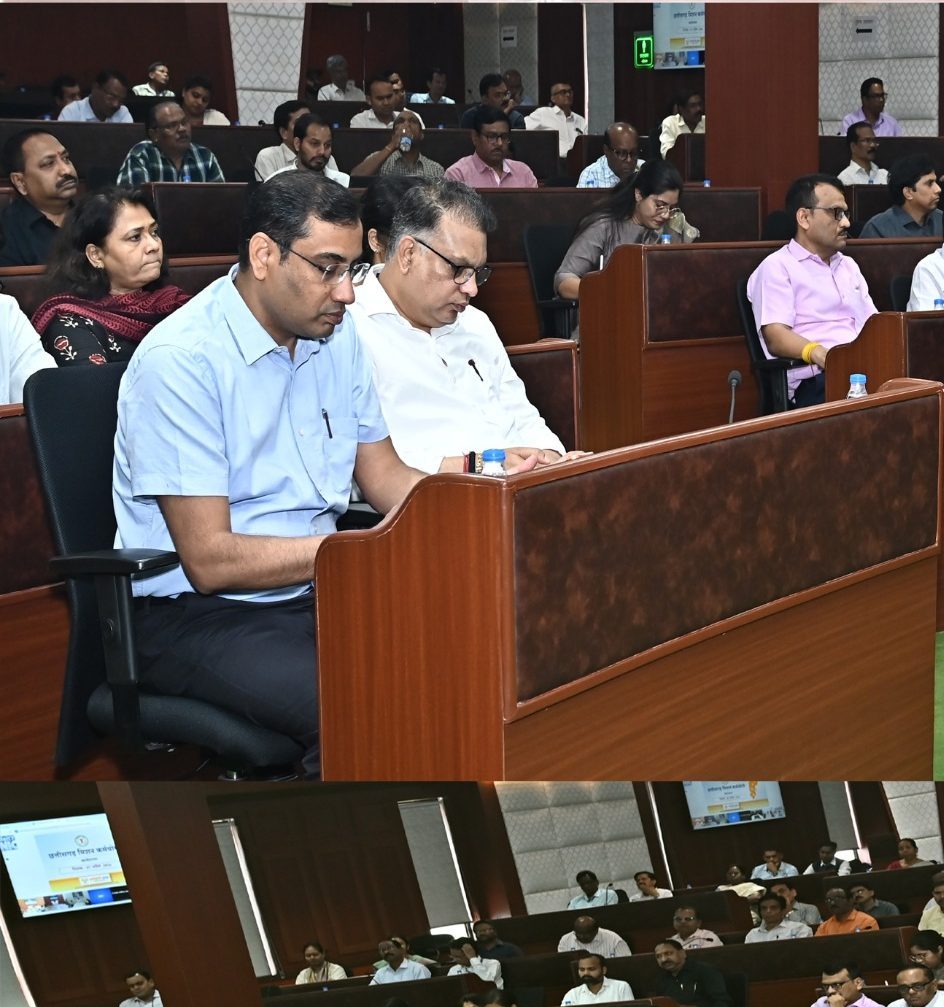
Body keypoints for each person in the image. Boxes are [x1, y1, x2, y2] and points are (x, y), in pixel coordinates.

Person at [112, 175, 436, 778]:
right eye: (328, 269)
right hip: (196, 613)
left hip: (314, 588)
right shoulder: (180, 362)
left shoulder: (335, 334)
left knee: (460, 665)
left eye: (353, 270)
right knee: (365, 707)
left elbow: (384, 475)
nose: (347, 292)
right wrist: (364, 549)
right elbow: (211, 560)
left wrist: (474, 506)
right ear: (263, 255)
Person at [343, 178, 571, 473]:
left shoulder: (475, 322)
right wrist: (479, 465)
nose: (472, 289)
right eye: (459, 269)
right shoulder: (350, 328)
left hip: (516, 483)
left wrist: (550, 458)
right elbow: (370, 466)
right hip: (434, 494)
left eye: (477, 272)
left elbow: (522, 415)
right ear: (408, 254)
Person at [748, 173, 877, 409]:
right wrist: (817, 353)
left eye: (846, 214)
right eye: (836, 213)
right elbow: (775, 336)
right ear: (804, 218)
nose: (846, 223)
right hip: (816, 381)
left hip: (863, 372)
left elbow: (873, 323)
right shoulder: (777, 267)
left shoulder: (848, 265)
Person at [30, 188, 191, 368]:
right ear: (96, 256)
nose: (153, 245)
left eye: (154, 232)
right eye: (135, 237)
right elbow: (95, 383)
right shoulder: (70, 320)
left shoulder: (175, 303)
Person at [553, 159, 696, 300]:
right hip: (607, 309)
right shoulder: (604, 226)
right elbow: (564, 281)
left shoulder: (672, 228)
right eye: (659, 205)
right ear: (638, 194)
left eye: (671, 208)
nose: (665, 214)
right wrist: (608, 293)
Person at [2, 129, 78, 265]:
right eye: (48, 164)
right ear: (20, 182)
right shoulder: (6, 231)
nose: (66, 170)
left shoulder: (96, 214)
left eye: (66, 159)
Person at [117, 100, 226, 185]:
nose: (182, 129)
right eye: (172, 125)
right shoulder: (141, 155)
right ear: (154, 135)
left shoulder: (205, 156)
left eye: (184, 122)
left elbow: (221, 200)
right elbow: (133, 202)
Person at [254, 101, 347, 184]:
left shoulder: (325, 158)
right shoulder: (268, 157)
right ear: (284, 132)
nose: (322, 151)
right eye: (300, 121)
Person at [446, 108, 537, 188]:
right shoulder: (458, 175)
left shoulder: (523, 172)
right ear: (475, 137)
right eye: (492, 136)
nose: (499, 143)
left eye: (504, 137)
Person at [858, 154, 943, 239]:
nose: (938, 189)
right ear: (908, 193)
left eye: (935, 182)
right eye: (929, 183)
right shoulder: (877, 228)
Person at [650, 938, 732, 1007]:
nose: (663, 959)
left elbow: (721, 1001)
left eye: (668, 953)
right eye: (658, 956)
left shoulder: (704, 971)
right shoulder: (660, 979)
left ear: (682, 953)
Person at [523, 80, 586, 158]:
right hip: (551, 160)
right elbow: (521, 128)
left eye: (570, 92)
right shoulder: (543, 113)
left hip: (577, 160)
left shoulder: (580, 120)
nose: (568, 95)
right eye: (563, 92)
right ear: (553, 98)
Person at [576, 121, 643, 189]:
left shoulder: (643, 169)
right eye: (622, 153)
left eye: (634, 152)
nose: (629, 160)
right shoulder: (591, 175)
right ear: (606, 151)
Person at [60, 70, 132, 124]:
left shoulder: (122, 113)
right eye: (111, 97)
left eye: (121, 101)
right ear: (96, 88)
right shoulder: (72, 111)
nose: (116, 104)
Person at [561, 952, 633, 1006]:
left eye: (591, 969)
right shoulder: (572, 994)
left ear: (604, 970)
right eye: (582, 969)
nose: (586, 973)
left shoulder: (621, 987)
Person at [746, 891, 812, 944]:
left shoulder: (800, 929)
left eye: (773, 908)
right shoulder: (752, 934)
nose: (768, 911)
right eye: (764, 908)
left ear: (783, 911)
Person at [837, 121, 886, 187]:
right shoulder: (845, 178)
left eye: (874, 140)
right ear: (853, 146)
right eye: (867, 140)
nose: (873, 145)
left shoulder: (884, 175)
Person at [558, 913, 630, 957]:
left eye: (586, 935)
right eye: (578, 934)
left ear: (596, 931)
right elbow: (563, 965)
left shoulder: (614, 940)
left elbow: (626, 964)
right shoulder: (566, 940)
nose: (582, 937)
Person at [658, 92, 704, 157]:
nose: (699, 109)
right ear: (681, 109)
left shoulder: (708, 121)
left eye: (700, 104)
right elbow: (666, 153)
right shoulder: (671, 122)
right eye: (693, 106)